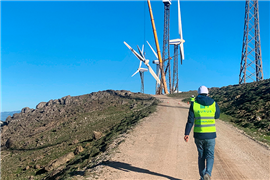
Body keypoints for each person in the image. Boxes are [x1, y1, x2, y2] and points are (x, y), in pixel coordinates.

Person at [184, 86, 220, 180]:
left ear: (198, 94)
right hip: (211, 134)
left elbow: (190, 121)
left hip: (199, 135)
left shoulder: (194, 104)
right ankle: (207, 173)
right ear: (208, 93)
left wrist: (186, 133)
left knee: (201, 156)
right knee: (210, 155)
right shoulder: (213, 103)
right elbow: (217, 116)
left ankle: (202, 176)